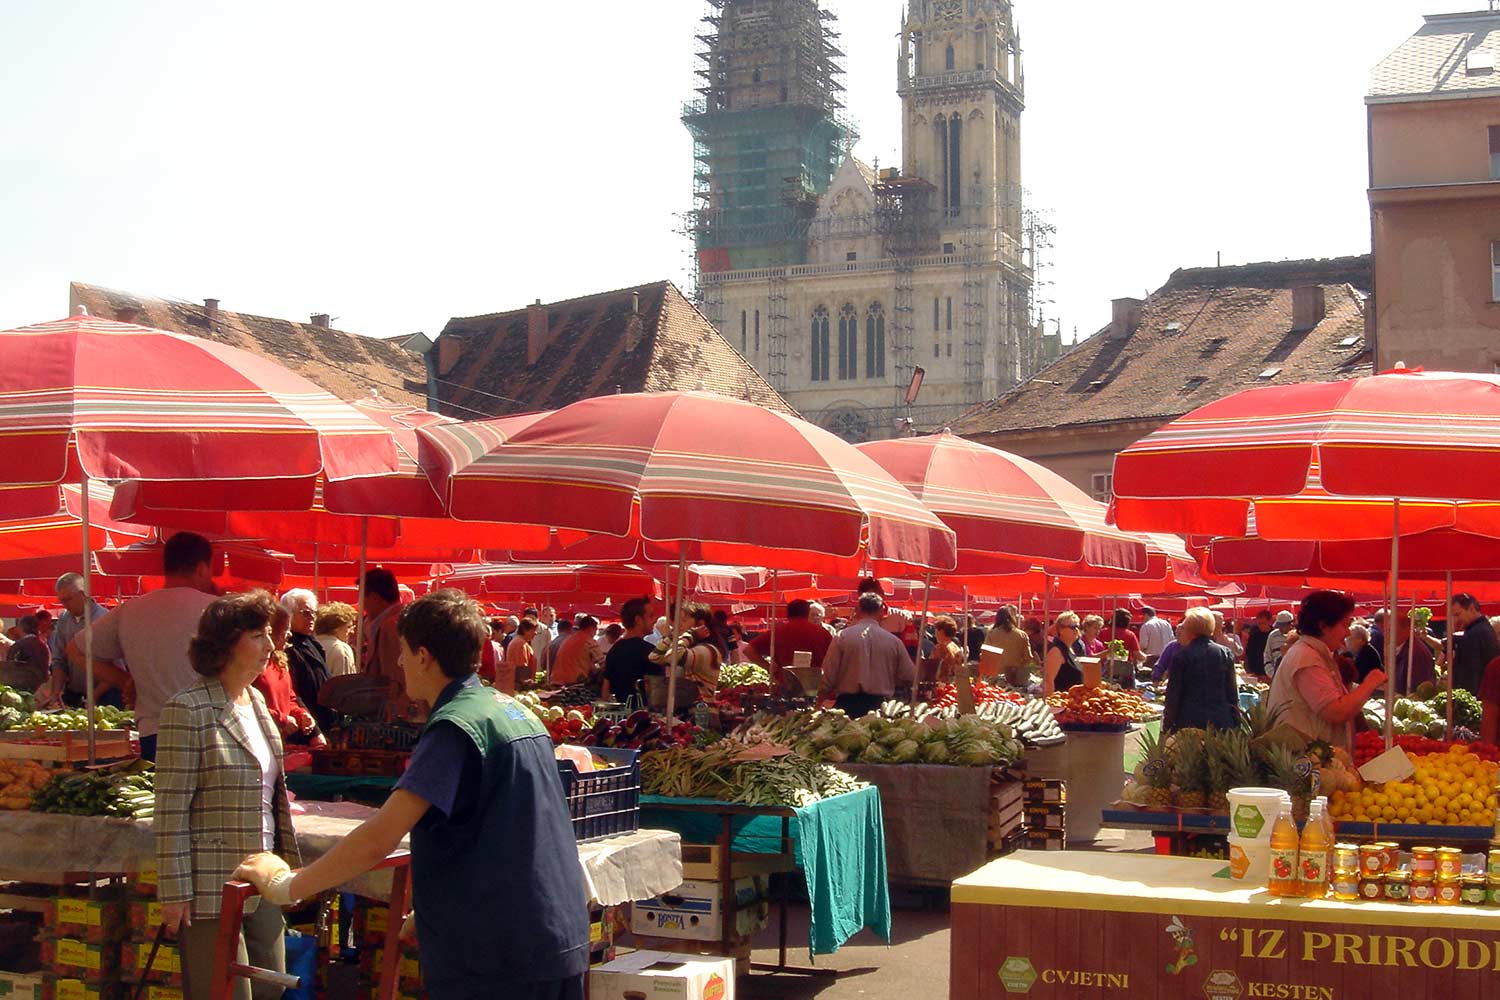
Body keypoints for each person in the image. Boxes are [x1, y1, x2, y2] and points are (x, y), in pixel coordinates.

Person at [232, 589, 591, 1000]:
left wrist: (287, 885)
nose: (400, 663)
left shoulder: (456, 728)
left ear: (424, 656)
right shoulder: (511, 710)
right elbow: (503, 825)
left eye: (404, 651)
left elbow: (377, 839)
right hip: (553, 936)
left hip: (499, 952)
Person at [156, 591, 299, 1000]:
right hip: (209, 887)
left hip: (266, 877)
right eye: (257, 635)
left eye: (269, 634)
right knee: (225, 993)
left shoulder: (255, 701)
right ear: (225, 643)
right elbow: (171, 809)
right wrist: (175, 893)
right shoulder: (188, 709)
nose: (270, 646)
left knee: (271, 990)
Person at [87, 532, 218, 761]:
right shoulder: (217, 610)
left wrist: (127, 681)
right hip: (208, 728)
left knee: (164, 796)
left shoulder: (131, 609)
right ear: (202, 568)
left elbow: (76, 650)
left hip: (154, 731)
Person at [1267, 591, 1386, 754]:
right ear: (1323, 625)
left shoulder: (1314, 654)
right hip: (1306, 763)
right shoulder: (1306, 658)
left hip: (1316, 759)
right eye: (1344, 625)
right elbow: (1335, 712)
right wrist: (1370, 684)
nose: (1348, 633)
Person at [818, 593, 915, 718]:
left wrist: (821, 697)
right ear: (881, 611)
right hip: (880, 708)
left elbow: (829, 673)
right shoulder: (893, 641)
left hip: (846, 706)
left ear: (858, 610)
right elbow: (910, 675)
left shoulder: (842, 637)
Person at [42, 573, 117, 708]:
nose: (65, 605)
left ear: (82, 594)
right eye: (62, 600)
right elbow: (59, 660)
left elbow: (116, 667)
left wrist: (94, 696)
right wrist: (55, 693)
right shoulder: (64, 619)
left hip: (106, 697)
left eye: (68, 599)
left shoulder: (104, 619)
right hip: (75, 695)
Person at [253, 607, 324, 749]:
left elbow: (290, 698)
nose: (289, 634)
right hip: (259, 740)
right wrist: (282, 719)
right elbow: (250, 705)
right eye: (286, 629)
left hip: (279, 743)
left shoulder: (280, 662)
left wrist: (302, 714)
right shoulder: (255, 666)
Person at [1162, 608, 1239, 733]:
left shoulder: (1181, 656)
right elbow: (1232, 693)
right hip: (1221, 721)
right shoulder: (1225, 653)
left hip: (1189, 722)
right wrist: (1236, 722)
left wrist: (1168, 725)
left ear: (1190, 630)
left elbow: (1173, 695)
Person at [744, 599, 832, 686]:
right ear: (807, 613)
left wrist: (769, 667)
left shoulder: (777, 632)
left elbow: (748, 650)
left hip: (784, 684)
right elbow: (834, 658)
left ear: (788, 613)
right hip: (816, 684)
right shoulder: (823, 633)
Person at [280, 590, 331, 733]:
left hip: (322, 723)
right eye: (306, 613)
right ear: (289, 614)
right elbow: (293, 692)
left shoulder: (312, 643)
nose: (312, 617)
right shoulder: (287, 646)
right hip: (304, 728)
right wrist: (315, 732)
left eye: (314, 613)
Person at [649, 603, 723, 702]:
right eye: (677, 620)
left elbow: (672, 656)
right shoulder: (686, 647)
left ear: (700, 625)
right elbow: (654, 657)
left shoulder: (707, 650)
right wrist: (671, 637)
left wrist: (691, 635)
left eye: (684, 620)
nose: (678, 624)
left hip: (701, 712)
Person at [361, 568, 409, 710]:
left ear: (375, 597)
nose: (362, 604)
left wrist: (394, 711)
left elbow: (397, 675)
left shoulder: (392, 626)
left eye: (362, 597)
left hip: (396, 713)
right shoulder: (395, 620)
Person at [602, 598, 659, 702]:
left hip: (618, 713)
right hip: (643, 715)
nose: (655, 619)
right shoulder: (650, 652)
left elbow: (605, 690)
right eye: (650, 615)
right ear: (638, 620)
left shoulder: (614, 650)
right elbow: (656, 691)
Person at [1449, 593, 1499, 695]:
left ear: (1471, 608)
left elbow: (1471, 673)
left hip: (1476, 696)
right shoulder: (1483, 629)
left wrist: (1464, 698)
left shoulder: (1475, 634)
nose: (1456, 620)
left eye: (1458, 614)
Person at [981, 609, 1033, 688]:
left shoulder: (992, 634)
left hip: (997, 678)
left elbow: (986, 656)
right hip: (1017, 678)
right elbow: (1028, 658)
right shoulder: (1022, 635)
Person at [1, 615, 50, 691]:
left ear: (21, 628)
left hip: (23, 688)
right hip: (41, 687)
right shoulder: (43, 645)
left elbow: (10, 668)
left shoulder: (19, 645)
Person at [551, 616, 602, 686]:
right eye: (596, 629)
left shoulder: (569, 639)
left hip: (556, 680)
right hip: (573, 683)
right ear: (591, 628)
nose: (596, 633)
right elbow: (602, 663)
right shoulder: (589, 641)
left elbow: (579, 660)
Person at [1393, 615, 1436, 695]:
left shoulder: (1415, 652)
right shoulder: (1403, 647)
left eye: (1391, 629)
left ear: (1406, 629)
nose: (1386, 633)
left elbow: (1418, 688)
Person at [313, 602, 358, 678]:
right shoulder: (341, 649)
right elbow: (344, 683)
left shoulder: (311, 645)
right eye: (348, 627)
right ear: (336, 629)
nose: (352, 631)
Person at [1043, 613, 1085, 695]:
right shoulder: (1056, 651)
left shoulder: (1074, 649)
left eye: (1078, 626)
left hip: (1075, 701)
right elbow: (1048, 681)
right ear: (1061, 630)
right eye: (1072, 627)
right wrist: (1051, 702)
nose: (1076, 630)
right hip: (1061, 702)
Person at [1100, 609, 1142, 687]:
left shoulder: (1102, 632)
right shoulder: (1130, 635)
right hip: (1125, 671)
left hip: (1105, 669)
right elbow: (1138, 654)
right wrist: (1146, 658)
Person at [502, 618, 539, 694]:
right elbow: (522, 668)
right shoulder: (520, 644)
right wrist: (528, 685)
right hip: (520, 688)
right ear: (525, 630)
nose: (535, 633)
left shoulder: (519, 642)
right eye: (533, 630)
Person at [927, 616, 965, 684]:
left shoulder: (940, 647)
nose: (935, 632)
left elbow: (931, 668)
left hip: (942, 684)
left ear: (941, 631)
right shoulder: (955, 646)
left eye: (936, 629)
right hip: (955, 683)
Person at [1138, 606, 1174, 674]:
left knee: (1151, 680)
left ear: (1145, 615)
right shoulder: (1166, 624)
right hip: (1167, 658)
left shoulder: (1146, 626)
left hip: (1151, 660)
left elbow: (1143, 645)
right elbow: (1172, 639)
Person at [1242, 610, 1274, 680]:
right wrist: (1249, 670)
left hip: (1270, 673)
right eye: (1259, 623)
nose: (1261, 626)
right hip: (1255, 673)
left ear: (1270, 622)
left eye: (1263, 623)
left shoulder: (1274, 635)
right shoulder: (1254, 635)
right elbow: (1248, 654)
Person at [1264, 610, 1296, 676]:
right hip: (1275, 674)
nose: (1280, 628)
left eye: (1282, 626)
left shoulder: (1298, 636)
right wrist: (1271, 673)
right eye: (1279, 626)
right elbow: (1267, 655)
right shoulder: (1272, 636)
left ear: (1290, 624)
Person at [531, 606, 559, 678]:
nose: (549, 618)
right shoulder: (537, 628)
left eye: (551, 615)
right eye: (546, 616)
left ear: (555, 616)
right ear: (541, 616)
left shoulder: (559, 628)